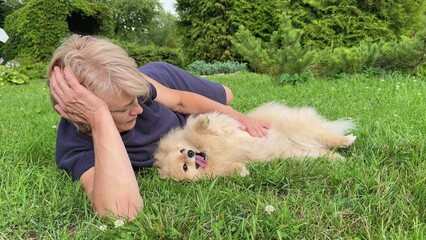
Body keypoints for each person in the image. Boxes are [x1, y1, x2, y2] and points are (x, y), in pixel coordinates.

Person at [48, 34, 270, 220]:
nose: (140, 109)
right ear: (83, 111)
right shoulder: (77, 146)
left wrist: (236, 115)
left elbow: (180, 101)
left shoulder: (129, 88)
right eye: (124, 108)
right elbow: (120, 211)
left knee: (227, 95)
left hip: (166, 79)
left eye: (137, 98)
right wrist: (99, 117)